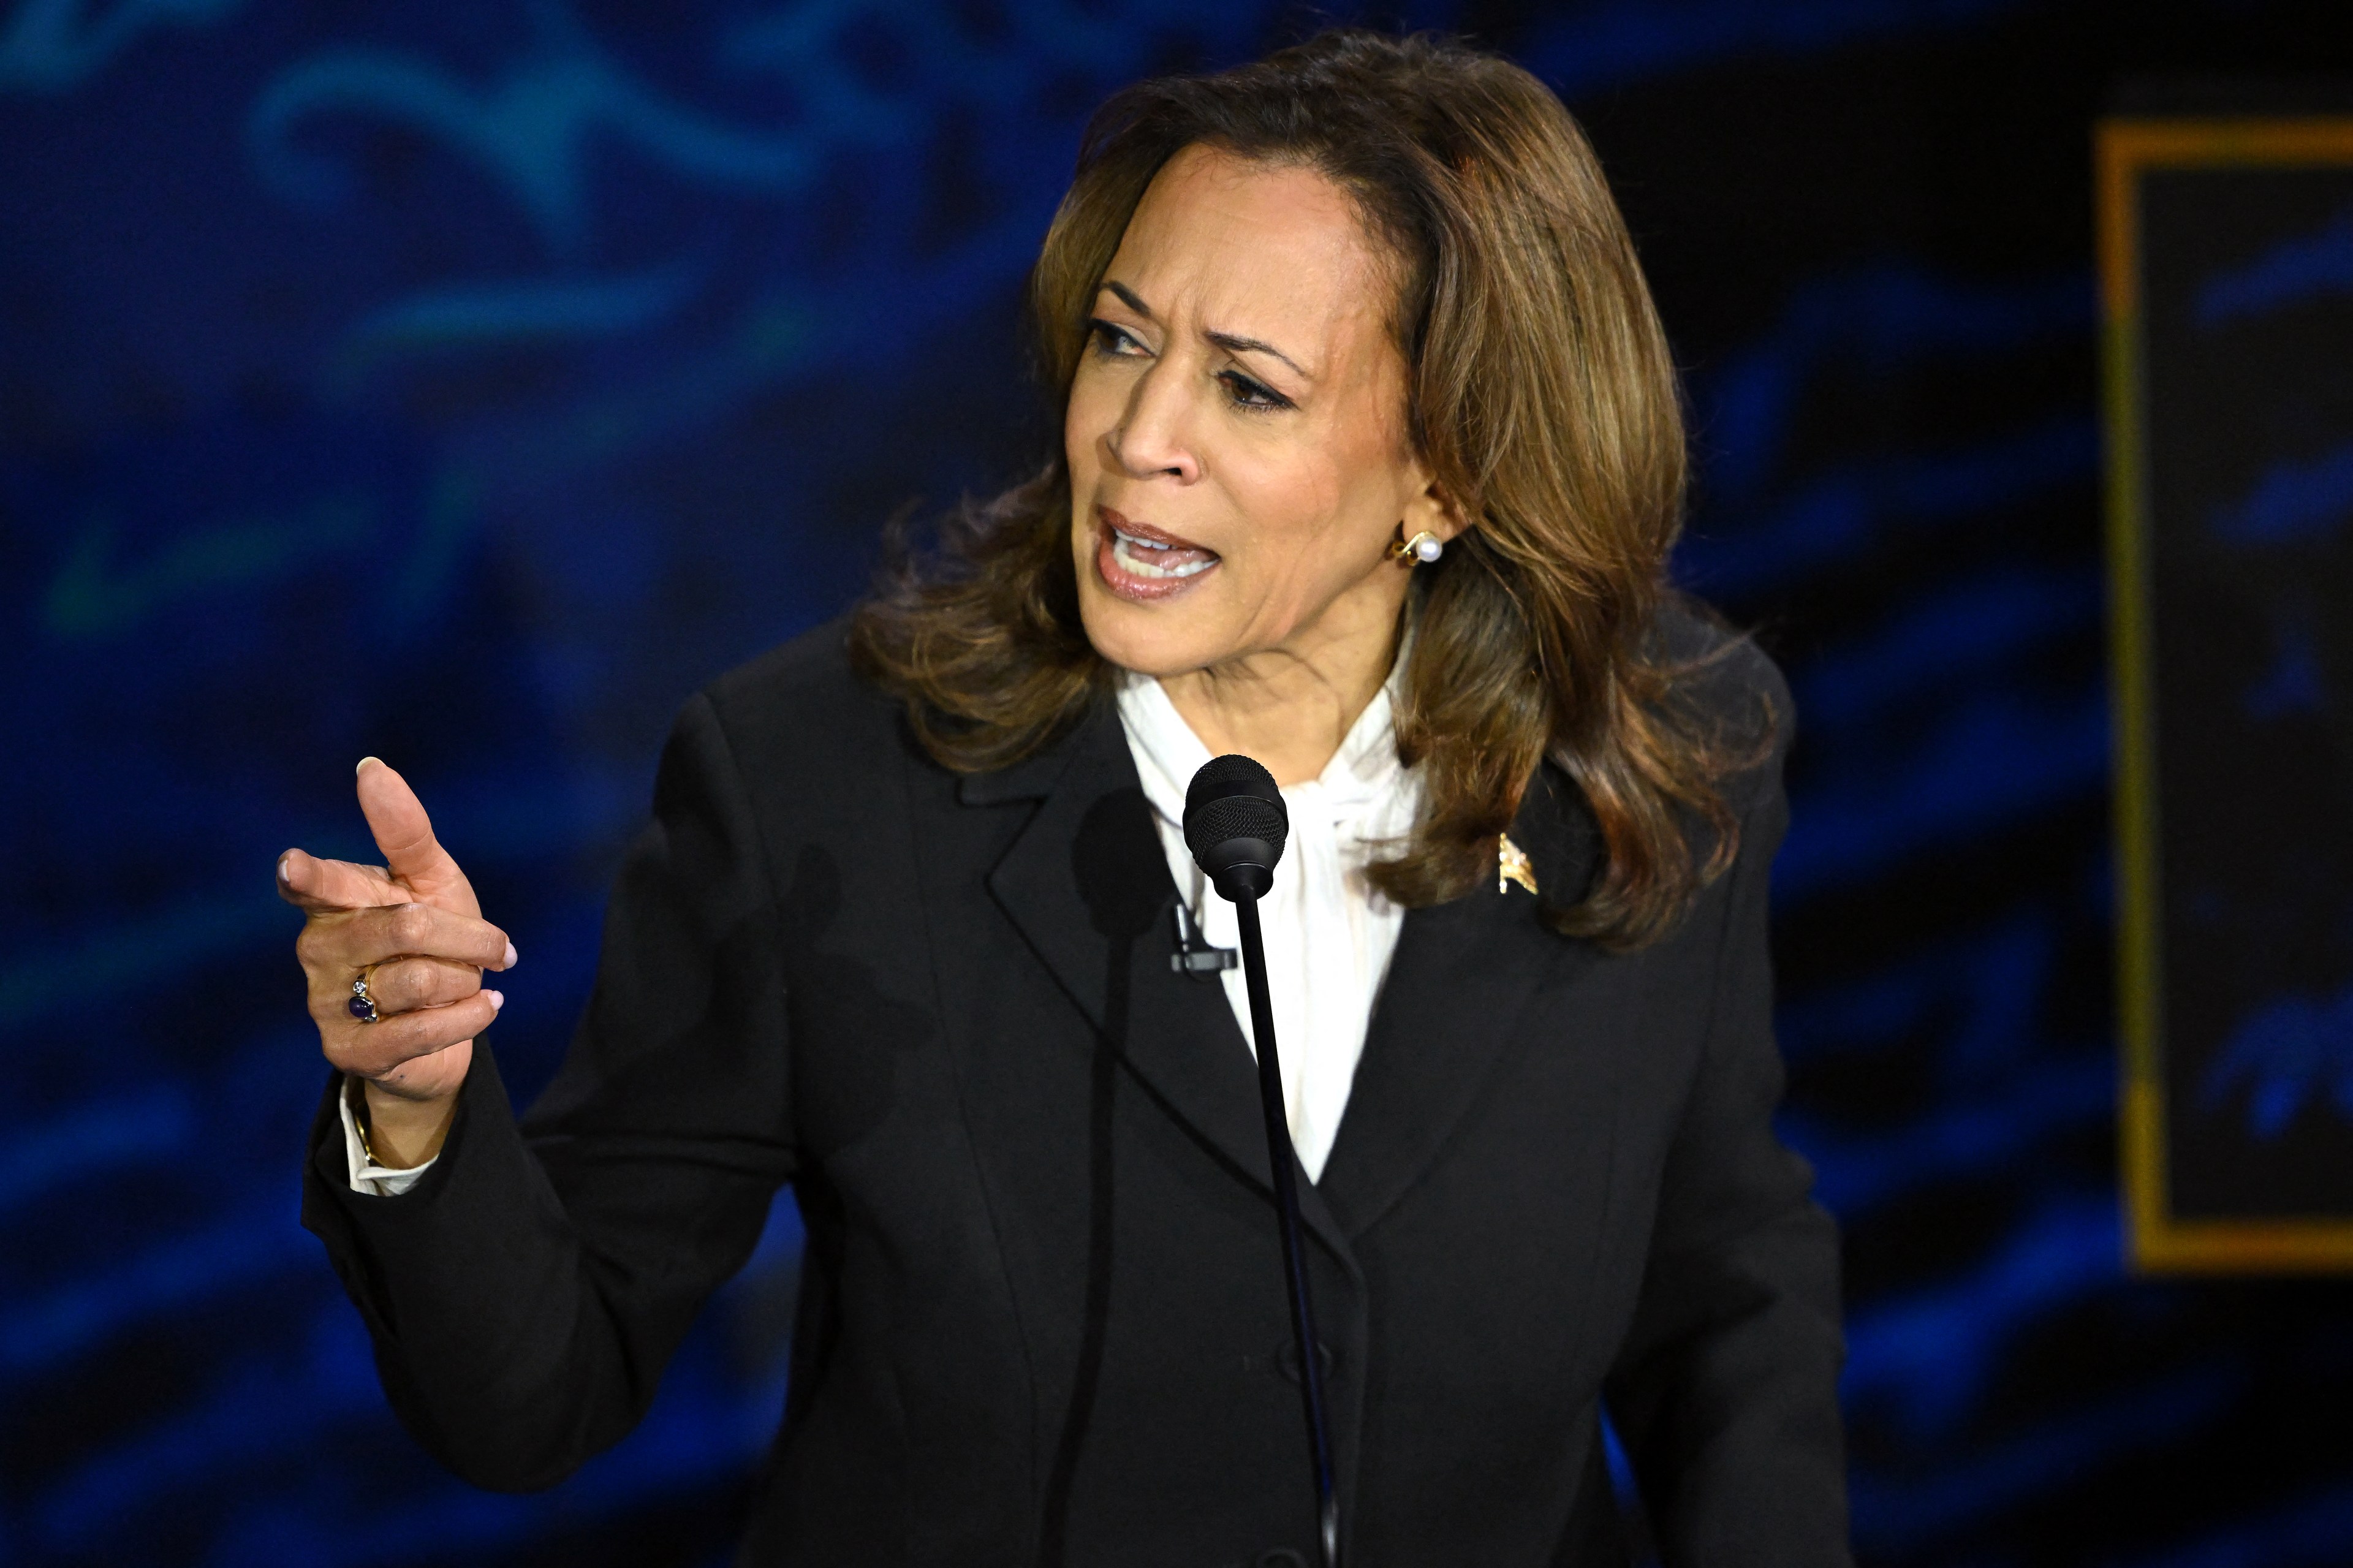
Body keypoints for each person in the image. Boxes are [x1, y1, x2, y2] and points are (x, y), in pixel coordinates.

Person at [278, 29, 1848, 1567]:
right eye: (1121, 338)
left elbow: (1726, 1297)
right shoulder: (819, 783)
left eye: (1248, 388)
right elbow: (535, 1393)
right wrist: (415, 1117)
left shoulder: (1658, 748)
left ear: (1451, 473)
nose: (1138, 437)